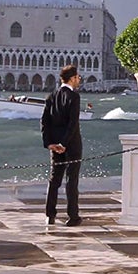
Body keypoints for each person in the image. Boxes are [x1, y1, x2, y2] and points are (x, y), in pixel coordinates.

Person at [42, 65, 83, 227]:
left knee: (54, 180)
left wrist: (50, 143)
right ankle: (73, 216)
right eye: (78, 77)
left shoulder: (52, 96)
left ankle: (50, 215)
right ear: (72, 78)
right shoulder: (74, 97)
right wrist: (64, 144)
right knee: (72, 180)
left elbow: (45, 122)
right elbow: (73, 124)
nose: (79, 80)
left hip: (55, 145)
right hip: (71, 145)